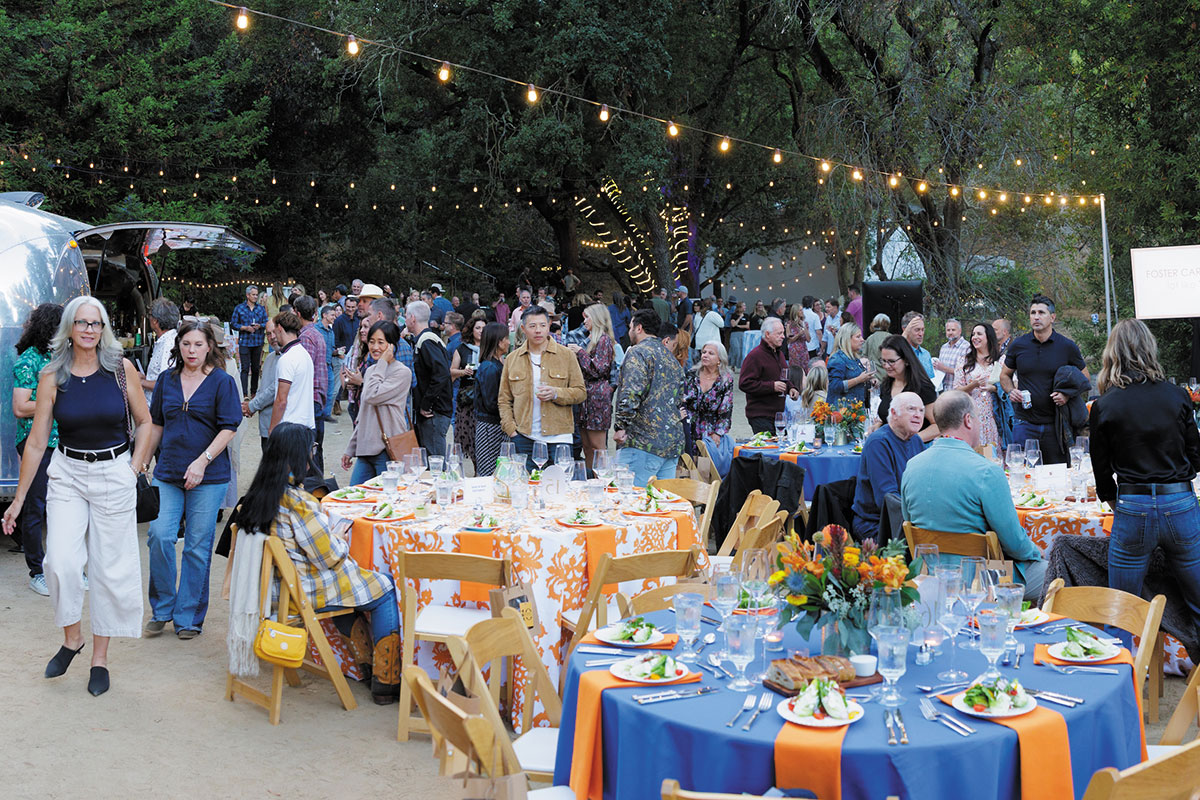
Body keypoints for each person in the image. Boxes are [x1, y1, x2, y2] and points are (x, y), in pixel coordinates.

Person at [2, 296, 154, 696]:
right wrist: (17, 501)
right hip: (67, 472)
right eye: (83, 323)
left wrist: (131, 470)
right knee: (61, 562)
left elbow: (146, 423)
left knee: (109, 568)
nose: (90, 330)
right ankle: (73, 638)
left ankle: (99, 659)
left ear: (104, 329)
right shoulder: (52, 375)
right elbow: (36, 443)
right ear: (69, 327)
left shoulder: (121, 371)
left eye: (97, 323)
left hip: (113, 471)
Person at [236, 423, 401, 704]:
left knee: (353, 590)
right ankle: (386, 680)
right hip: (301, 593)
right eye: (311, 449)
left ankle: (365, 666)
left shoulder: (256, 496)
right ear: (298, 456)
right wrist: (337, 535)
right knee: (384, 587)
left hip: (272, 591)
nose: (314, 454)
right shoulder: (298, 502)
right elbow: (329, 556)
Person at [1089, 319, 1200, 620]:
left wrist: (1114, 499)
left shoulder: (1105, 404)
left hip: (1133, 504)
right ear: (1150, 349)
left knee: (1122, 611)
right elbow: (1196, 455)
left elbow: (1100, 467)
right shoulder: (1177, 396)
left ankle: (1127, 664)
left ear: (1112, 353)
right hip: (1179, 502)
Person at [141, 319, 241, 640]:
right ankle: (163, 608)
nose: (192, 350)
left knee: (197, 547)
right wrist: (143, 460)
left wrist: (203, 460)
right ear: (178, 346)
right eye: (186, 344)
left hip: (209, 475)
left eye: (198, 344)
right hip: (168, 471)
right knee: (159, 535)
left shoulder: (222, 382)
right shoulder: (167, 381)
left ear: (209, 346)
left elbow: (229, 427)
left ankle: (188, 617)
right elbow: (155, 424)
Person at [900, 391, 1044, 599]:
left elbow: (909, 521)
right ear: (968, 420)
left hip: (929, 577)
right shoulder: (986, 471)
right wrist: (1034, 551)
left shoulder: (912, 466)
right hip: (982, 580)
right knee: (1058, 572)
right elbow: (1014, 544)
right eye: (977, 417)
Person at [12, 303, 63, 595]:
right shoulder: (29, 361)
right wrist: (55, 402)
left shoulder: (62, 358)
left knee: (62, 508)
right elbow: (20, 407)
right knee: (36, 507)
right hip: (36, 443)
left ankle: (63, 569)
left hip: (63, 442)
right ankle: (37, 571)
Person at [1000, 295, 1088, 465]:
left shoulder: (1067, 346)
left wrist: (1067, 395)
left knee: (1055, 476)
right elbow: (1004, 375)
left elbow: (1084, 378)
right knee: (1023, 473)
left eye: (1041, 312)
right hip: (1024, 422)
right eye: (1033, 313)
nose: (1036, 317)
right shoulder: (1018, 345)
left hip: (1055, 425)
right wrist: (1011, 391)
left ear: (1052, 317)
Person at [498, 306, 585, 470]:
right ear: (523, 328)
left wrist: (556, 393)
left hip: (560, 437)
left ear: (549, 325)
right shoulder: (512, 359)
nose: (538, 331)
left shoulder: (566, 355)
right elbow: (504, 399)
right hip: (524, 436)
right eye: (532, 326)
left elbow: (580, 392)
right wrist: (511, 430)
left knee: (560, 489)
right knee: (527, 489)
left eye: (542, 325)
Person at [614, 309, 685, 485]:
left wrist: (620, 426)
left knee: (630, 500)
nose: (629, 330)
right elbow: (679, 398)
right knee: (660, 505)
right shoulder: (670, 358)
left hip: (642, 441)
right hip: (671, 441)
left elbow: (631, 392)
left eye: (630, 326)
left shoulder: (638, 352)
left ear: (638, 328)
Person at [341, 322, 413, 485]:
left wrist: (381, 364)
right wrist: (350, 448)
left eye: (381, 342)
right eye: (372, 341)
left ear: (392, 346)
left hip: (387, 450)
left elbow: (373, 395)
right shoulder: (372, 372)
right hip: (366, 449)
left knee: (388, 499)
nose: (375, 347)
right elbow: (364, 413)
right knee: (357, 496)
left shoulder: (402, 373)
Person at [850, 392, 926, 541]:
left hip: (907, 521)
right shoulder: (878, 443)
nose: (918, 415)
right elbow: (887, 499)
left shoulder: (916, 440)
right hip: (877, 526)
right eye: (911, 409)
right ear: (893, 413)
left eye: (921, 410)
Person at [568, 304, 616, 470]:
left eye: (587, 317)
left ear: (596, 319)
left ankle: (603, 484)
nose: (584, 321)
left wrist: (580, 352)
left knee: (598, 448)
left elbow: (599, 369)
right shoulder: (590, 340)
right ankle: (591, 482)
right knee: (587, 447)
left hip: (597, 398)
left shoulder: (604, 340)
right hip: (585, 397)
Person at [406, 301, 454, 458]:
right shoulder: (425, 340)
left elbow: (441, 374)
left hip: (434, 413)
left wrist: (426, 404)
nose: (405, 320)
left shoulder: (426, 342)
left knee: (436, 462)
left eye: (406, 316)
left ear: (412, 318)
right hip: (434, 411)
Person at [738, 317, 799, 434]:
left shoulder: (779, 354)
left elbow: (783, 378)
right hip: (760, 415)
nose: (783, 336)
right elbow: (744, 383)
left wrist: (791, 388)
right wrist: (772, 386)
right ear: (767, 334)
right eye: (779, 333)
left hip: (778, 415)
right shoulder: (755, 356)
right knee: (767, 450)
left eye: (783, 333)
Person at [876, 334, 938, 442]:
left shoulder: (922, 387)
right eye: (883, 361)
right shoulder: (886, 385)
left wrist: (913, 440)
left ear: (906, 360)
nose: (886, 366)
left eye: (891, 361)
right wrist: (877, 427)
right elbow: (887, 418)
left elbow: (937, 425)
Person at [679, 341, 734, 457]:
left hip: (710, 432)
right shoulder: (691, 374)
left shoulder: (725, 380)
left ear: (720, 359)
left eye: (711, 353)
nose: (705, 355)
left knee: (706, 470)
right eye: (704, 352)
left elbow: (726, 410)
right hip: (688, 428)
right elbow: (680, 398)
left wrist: (718, 433)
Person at [954, 322, 1002, 452]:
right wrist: (973, 385)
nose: (974, 337)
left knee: (992, 457)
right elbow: (957, 390)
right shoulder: (964, 361)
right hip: (971, 417)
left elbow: (1012, 385)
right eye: (973, 334)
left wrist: (994, 389)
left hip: (993, 418)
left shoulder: (1000, 360)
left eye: (979, 334)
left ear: (989, 337)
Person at [293, 296, 328, 470]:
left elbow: (303, 371)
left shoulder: (306, 338)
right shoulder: (317, 333)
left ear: (297, 313)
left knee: (310, 450)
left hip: (310, 397)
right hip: (318, 395)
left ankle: (314, 489)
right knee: (316, 447)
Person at [268, 310, 316, 436]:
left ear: (279, 328)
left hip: (289, 429)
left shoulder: (287, 359)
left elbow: (281, 400)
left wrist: (272, 428)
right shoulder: (305, 354)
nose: (274, 336)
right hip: (306, 425)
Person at [473, 323, 510, 476]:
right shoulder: (489, 367)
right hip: (490, 427)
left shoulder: (497, 364)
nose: (509, 342)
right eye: (507, 338)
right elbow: (491, 403)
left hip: (495, 425)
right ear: (499, 341)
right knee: (489, 473)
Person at [450, 315, 485, 466]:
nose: (481, 331)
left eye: (484, 328)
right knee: (465, 434)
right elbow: (451, 372)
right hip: (466, 397)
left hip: (484, 397)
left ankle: (480, 468)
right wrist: (463, 372)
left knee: (481, 436)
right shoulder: (462, 349)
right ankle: (469, 465)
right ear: (471, 330)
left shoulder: (490, 348)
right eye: (478, 328)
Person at [243, 318, 281, 452]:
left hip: (280, 428)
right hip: (265, 426)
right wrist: (252, 405)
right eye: (268, 334)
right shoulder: (270, 358)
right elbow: (263, 387)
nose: (272, 337)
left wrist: (252, 406)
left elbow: (275, 390)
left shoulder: (288, 358)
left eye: (274, 332)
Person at [230, 285, 269, 398]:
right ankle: (244, 393)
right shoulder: (239, 308)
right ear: (247, 295)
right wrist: (244, 328)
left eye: (257, 294)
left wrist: (259, 326)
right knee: (245, 368)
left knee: (256, 368)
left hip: (257, 341)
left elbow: (266, 323)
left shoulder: (260, 309)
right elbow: (233, 323)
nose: (256, 297)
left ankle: (253, 392)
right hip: (245, 341)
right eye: (253, 294)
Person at [141, 298, 180, 405]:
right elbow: (161, 376)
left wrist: (141, 382)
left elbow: (166, 384)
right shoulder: (166, 340)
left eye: (150, 316)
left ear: (155, 321)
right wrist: (145, 378)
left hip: (158, 410)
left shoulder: (169, 344)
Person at [826, 324, 872, 409]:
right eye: (858, 337)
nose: (862, 340)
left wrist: (869, 381)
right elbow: (835, 386)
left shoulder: (854, 358)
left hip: (855, 411)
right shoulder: (837, 359)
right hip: (842, 414)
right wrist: (858, 379)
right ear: (847, 339)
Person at [332, 294, 360, 415]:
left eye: (353, 307)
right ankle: (336, 402)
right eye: (348, 306)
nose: (350, 309)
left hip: (356, 354)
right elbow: (336, 340)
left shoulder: (359, 319)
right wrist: (340, 354)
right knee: (340, 381)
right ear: (344, 306)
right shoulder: (339, 321)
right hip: (343, 355)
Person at [342, 316, 371, 424]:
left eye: (365, 327)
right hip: (356, 402)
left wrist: (360, 382)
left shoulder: (377, 355)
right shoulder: (359, 348)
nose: (362, 330)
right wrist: (349, 382)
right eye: (360, 327)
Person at [934, 318, 971, 393]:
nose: (950, 332)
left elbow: (967, 373)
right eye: (948, 330)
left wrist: (944, 368)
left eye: (953, 330)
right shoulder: (943, 347)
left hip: (958, 392)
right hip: (943, 391)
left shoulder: (966, 347)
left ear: (960, 331)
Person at [317, 303, 339, 422]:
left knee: (330, 390)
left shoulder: (331, 332)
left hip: (328, 364)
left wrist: (337, 351)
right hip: (319, 365)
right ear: (324, 315)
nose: (334, 317)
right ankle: (318, 413)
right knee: (318, 390)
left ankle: (326, 414)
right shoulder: (316, 329)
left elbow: (331, 349)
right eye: (332, 315)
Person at [901, 311, 935, 381]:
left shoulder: (926, 354)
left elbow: (931, 381)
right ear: (905, 330)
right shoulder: (900, 353)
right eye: (917, 330)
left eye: (922, 330)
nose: (921, 334)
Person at [784, 304, 810, 387]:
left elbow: (809, 339)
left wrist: (804, 328)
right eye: (800, 310)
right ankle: (795, 386)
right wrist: (799, 334)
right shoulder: (789, 324)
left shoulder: (805, 323)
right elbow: (789, 340)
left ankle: (805, 386)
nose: (802, 312)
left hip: (803, 349)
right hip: (794, 350)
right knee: (795, 370)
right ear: (795, 312)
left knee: (805, 368)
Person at [863, 313, 891, 383]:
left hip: (874, 378)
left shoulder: (870, 339)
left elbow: (864, 357)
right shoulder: (891, 338)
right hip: (889, 377)